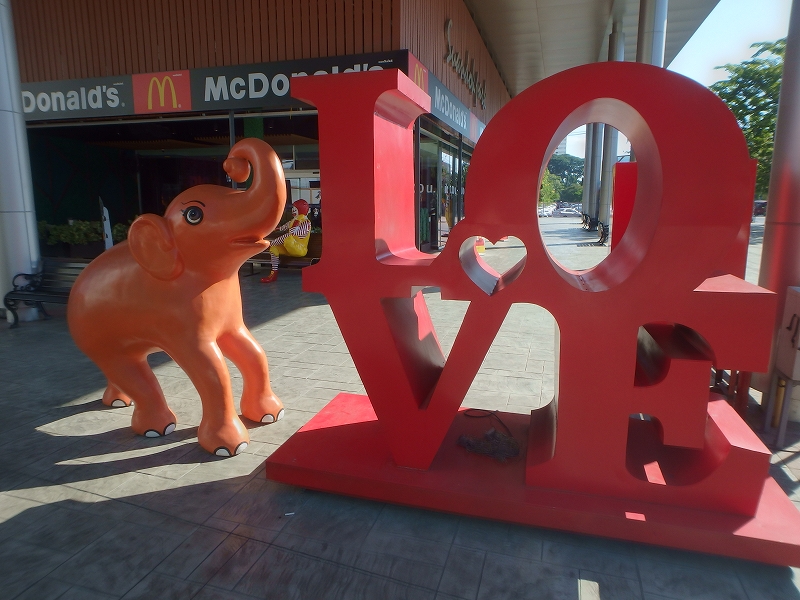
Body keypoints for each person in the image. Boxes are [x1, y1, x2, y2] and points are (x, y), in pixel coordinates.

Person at [260, 199, 311, 283]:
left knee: (288, 238)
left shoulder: (306, 222)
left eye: (295, 209)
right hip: (289, 248)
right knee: (274, 249)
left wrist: (298, 221)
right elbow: (282, 228)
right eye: (293, 209)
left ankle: (269, 244)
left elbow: (298, 234)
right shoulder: (293, 221)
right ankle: (273, 274)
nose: (293, 211)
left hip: (300, 249)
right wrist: (270, 229)